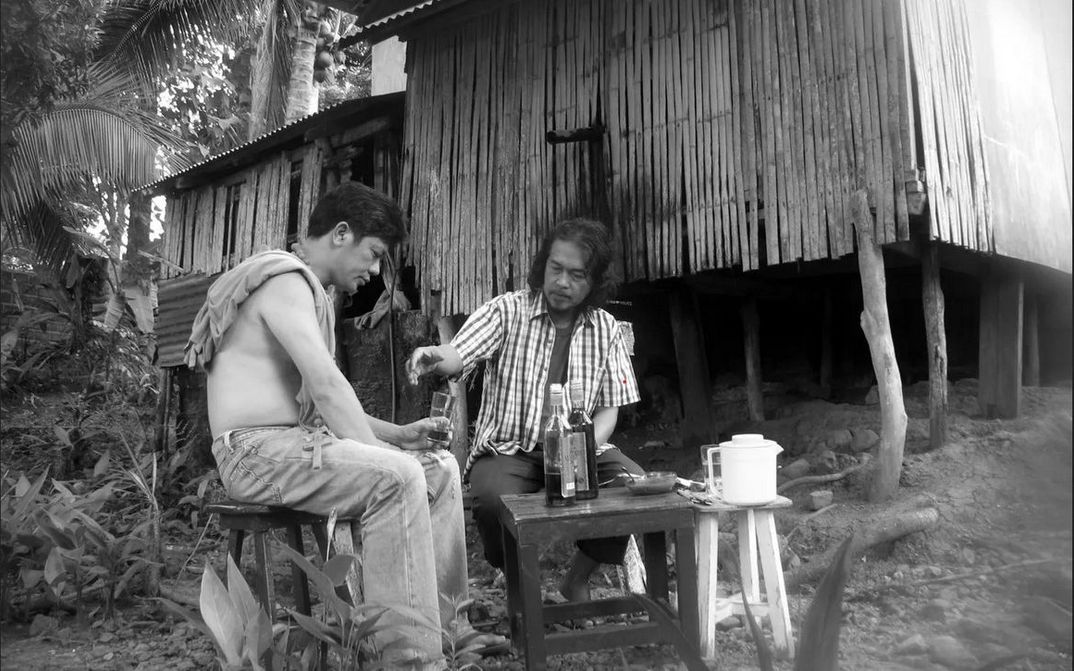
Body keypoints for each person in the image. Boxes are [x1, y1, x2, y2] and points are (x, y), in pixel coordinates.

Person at [185, 182, 474, 668]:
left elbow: (319, 408)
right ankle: (413, 661)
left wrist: (400, 437)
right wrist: (389, 457)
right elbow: (325, 385)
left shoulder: (306, 290)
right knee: (398, 476)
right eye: (374, 253)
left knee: (439, 467)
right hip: (252, 452)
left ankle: (450, 633)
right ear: (341, 234)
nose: (375, 270)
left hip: (291, 445)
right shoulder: (285, 281)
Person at [406, 218, 643, 601]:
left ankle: (577, 579)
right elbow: (459, 352)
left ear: (595, 282)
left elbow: (608, 413)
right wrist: (436, 356)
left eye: (577, 275)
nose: (562, 282)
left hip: (580, 450)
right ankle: (521, 592)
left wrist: (579, 451)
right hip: (509, 451)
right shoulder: (507, 311)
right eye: (556, 268)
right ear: (542, 265)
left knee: (634, 490)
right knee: (492, 503)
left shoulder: (606, 329)